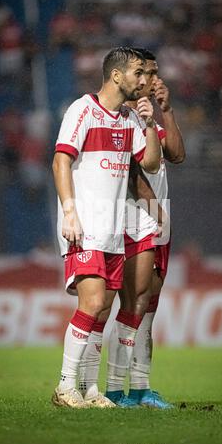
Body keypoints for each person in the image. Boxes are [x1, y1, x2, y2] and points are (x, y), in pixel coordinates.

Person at [52, 47, 162, 408]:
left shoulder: (129, 120)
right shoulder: (82, 109)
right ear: (117, 76)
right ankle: (65, 386)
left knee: (102, 312)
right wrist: (70, 211)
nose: (143, 81)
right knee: (94, 301)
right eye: (137, 74)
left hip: (115, 231)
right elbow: (60, 161)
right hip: (83, 225)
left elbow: (149, 162)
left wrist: (148, 123)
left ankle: (90, 389)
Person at [78, 48, 185, 408]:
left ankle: (138, 387)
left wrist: (165, 111)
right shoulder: (123, 114)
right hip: (135, 216)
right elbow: (137, 172)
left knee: (146, 306)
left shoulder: (147, 112)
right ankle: (102, 387)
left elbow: (176, 156)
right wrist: (154, 208)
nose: (152, 79)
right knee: (116, 303)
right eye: (146, 72)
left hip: (157, 215)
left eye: (155, 73)